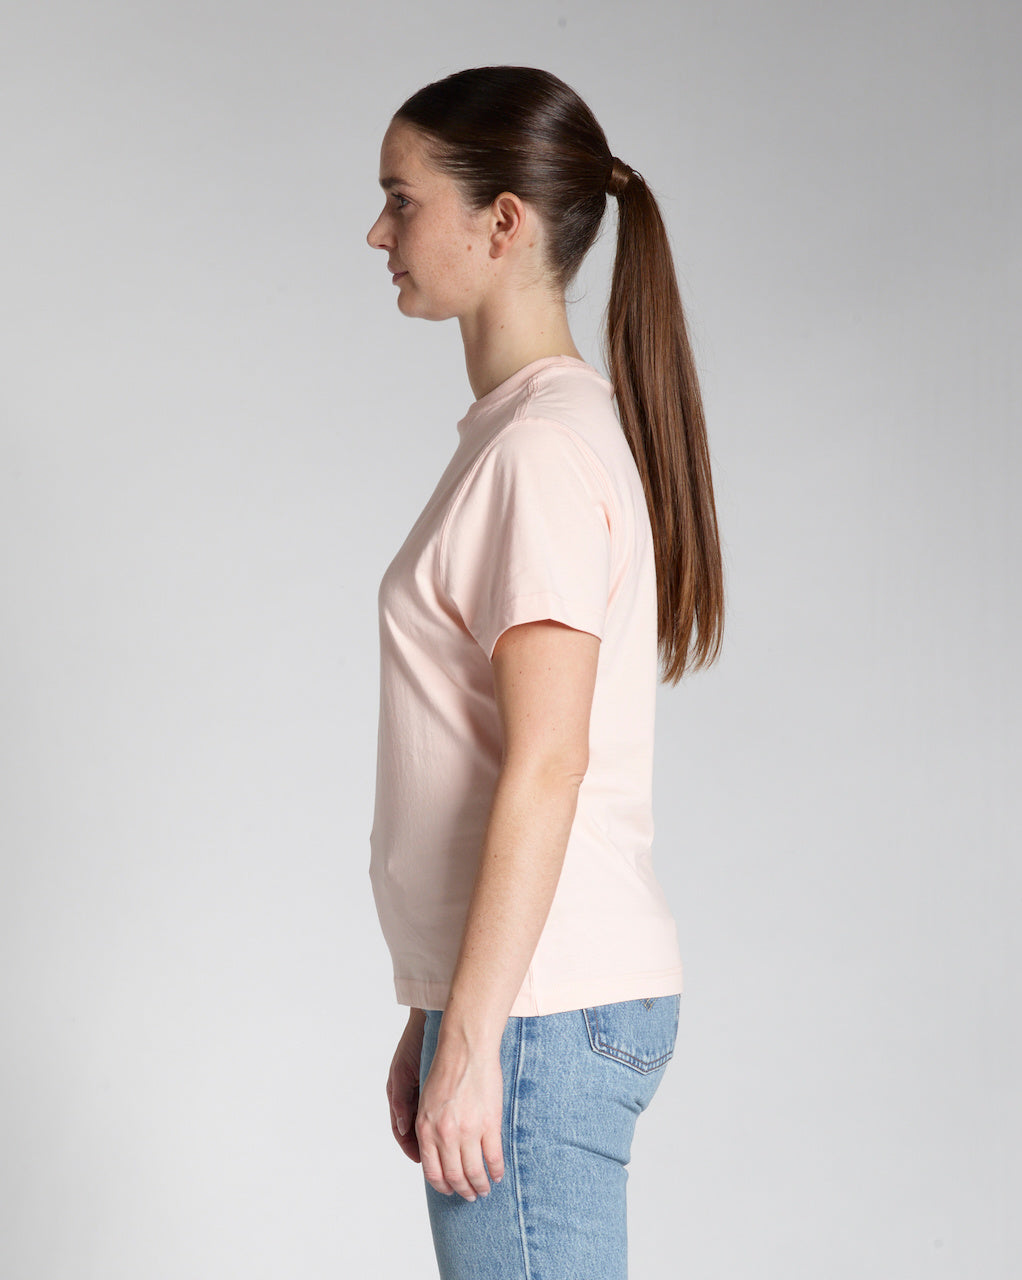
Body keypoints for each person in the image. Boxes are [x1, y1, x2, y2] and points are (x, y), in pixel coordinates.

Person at [365, 65, 724, 1280]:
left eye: (400, 199)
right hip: (529, 998)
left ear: (500, 221)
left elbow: (548, 757)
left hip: (540, 1007)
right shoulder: (531, 439)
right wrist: (436, 1011)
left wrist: (472, 1033)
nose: (378, 232)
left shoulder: (538, 451)